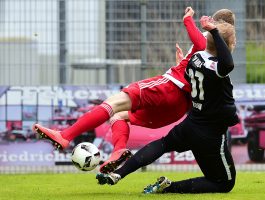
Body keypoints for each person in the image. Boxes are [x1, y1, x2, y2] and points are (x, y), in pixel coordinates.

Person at [33, 8, 235, 173]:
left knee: (112, 103)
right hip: (177, 108)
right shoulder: (220, 62)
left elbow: (200, 42)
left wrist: (188, 20)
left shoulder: (208, 42)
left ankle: (65, 135)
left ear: (214, 26)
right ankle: (119, 150)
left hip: (168, 88)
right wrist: (183, 63)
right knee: (119, 116)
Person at [96, 15, 238, 194]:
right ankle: (170, 187)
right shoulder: (218, 67)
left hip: (191, 124)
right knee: (224, 183)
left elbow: (192, 77)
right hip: (210, 133)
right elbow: (227, 64)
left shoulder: (197, 58)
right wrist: (215, 31)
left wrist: (208, 38)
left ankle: (119, 173)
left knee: (163, 144)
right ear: (227, 45)